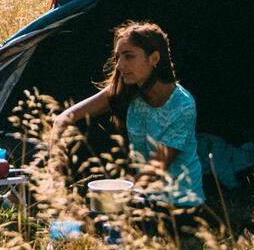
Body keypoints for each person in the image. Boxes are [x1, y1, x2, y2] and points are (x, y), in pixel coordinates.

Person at [52, 22, 204, 213]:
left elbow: (155, 169)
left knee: (94, 217)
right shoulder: (127, 89)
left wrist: (118, 196)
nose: (120, 65)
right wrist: (56, 176)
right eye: (118, 57)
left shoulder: (182, 105)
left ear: (154, 58)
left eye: (129, 56)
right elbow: (63, 119)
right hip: (141, 196)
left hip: (181, 205)